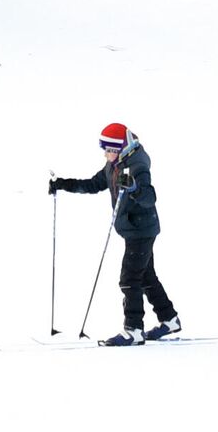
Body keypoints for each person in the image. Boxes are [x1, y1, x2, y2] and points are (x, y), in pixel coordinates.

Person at [50, 123, 180, 346]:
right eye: (105, 149)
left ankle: (134, 330)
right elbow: (94, 184)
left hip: (141, 229)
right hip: (133, 228)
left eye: (111, 150)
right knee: (146, 276)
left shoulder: (137, 165)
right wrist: (63, 184)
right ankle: (169, 319)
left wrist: (133, 187)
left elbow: (149, 197)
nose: (107, 154)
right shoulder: (114, 164)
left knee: (129, 279)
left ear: (123, 148)